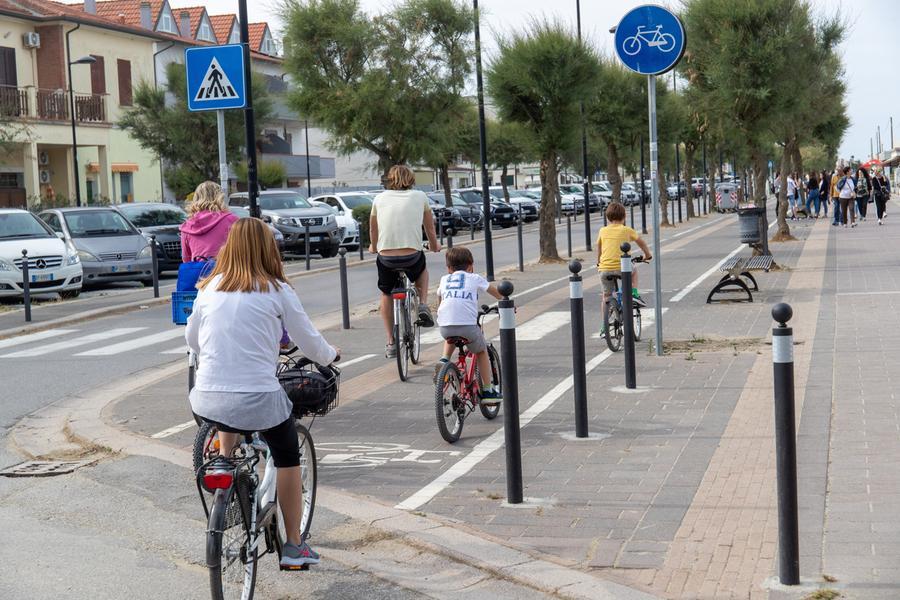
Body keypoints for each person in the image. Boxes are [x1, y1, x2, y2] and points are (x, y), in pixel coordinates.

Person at [186, 218, 339, 569]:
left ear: (229, 247)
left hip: (207, 396)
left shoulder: (208, 288)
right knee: (287, 456)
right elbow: (308, 339)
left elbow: (192, 341)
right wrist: (331, 355)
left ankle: (225, 456)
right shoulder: (276, 289)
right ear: (269, 249)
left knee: (229, 406)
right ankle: (294, 547)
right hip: (258, 397)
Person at [369, 165, 441, 358]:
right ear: (412, 179)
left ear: (390, 180)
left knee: (386, 293)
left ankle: (391, 342)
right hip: (412, 256)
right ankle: (423, 304)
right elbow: (430, 229)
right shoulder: (420, 197)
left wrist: (373, 246)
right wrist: (435, 246)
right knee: (422, 271)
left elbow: (373, 230)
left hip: (386, 258)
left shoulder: (379, 198)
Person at [434, 247, 503, 403]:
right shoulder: (475, 277)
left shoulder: (445, 279)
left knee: (451, 333)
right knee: (481, 351)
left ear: (449, 268)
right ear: (470, 266)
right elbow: (495, 291)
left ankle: (444, 360)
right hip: (467, 326)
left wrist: (441, 311)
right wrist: (506, 302)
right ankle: (487, 391)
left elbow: (439, 298)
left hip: (445, 326)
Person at [596, 202, 652, 334]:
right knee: (634, 271)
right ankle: (633, 292)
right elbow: (641, 242)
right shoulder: (626, 230)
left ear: (608, 217)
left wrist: (599, 262)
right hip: (623, 268)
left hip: (604, 269)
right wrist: (647, 255)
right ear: (624, 216)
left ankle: (605, 324)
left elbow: (598, 247)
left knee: (606, 296)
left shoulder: (602, 230)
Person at [180, 181, 239, 262]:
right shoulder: (231, 220)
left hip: (198, 272)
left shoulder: (187, 226)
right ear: (219, 197)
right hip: (224, 271)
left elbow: (186, 259)